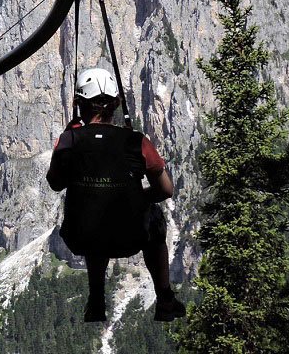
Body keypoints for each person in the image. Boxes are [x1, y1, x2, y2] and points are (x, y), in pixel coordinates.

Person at [46, 68, 186, 322]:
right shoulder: (136, 141)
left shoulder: (69, 140)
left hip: (81, 237)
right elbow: (166, 190)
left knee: (93, 215)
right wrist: (138, 196)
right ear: (117, 104)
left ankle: (96, 297)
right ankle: (164, 297)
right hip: (129, 237)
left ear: (78, 104)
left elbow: (55, 183)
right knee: (153, 216)